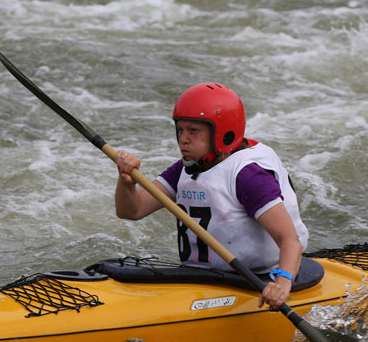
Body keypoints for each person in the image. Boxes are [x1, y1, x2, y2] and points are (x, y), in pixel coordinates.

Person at [114, 82, 309, 310]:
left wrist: (283, 282)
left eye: (193, 131)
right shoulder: (185, 169)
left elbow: (290, 240)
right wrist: (126, 181)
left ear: (222, 133)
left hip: (258, 276)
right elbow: (132, 210)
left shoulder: (248, 176)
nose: (183, 139)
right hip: (202, 278)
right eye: (180, 130)